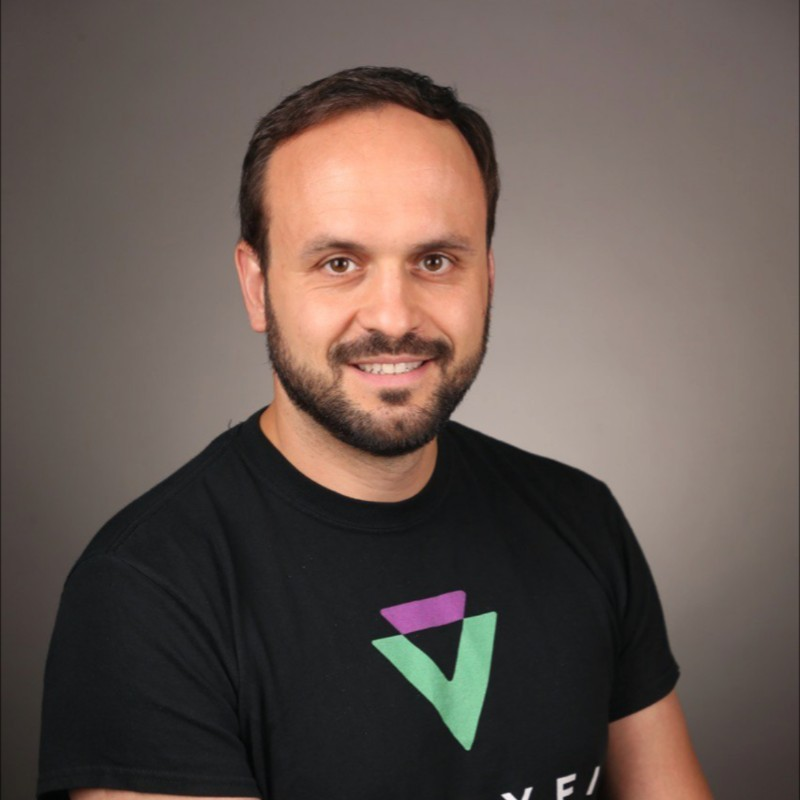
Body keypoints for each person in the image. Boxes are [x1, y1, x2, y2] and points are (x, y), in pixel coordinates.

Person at [38, 66, 713, 800]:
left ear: (487, 277)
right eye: (339, 263)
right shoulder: (147, 593)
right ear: (257, 286)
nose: (393, 316)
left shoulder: (581, 519)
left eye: (435, 261)